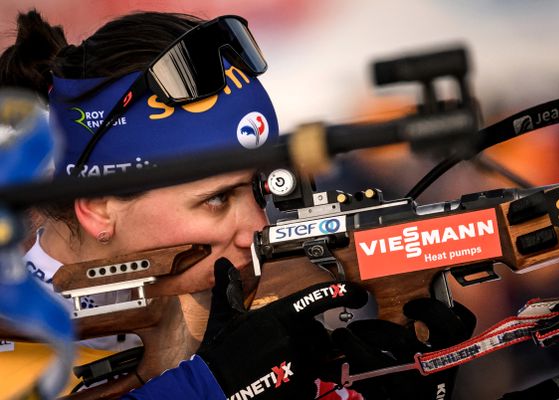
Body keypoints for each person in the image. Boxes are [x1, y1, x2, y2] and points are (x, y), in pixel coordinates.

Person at [0, 9, 474, 400]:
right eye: (216, 199)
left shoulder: (229, 321)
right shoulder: (14, 362)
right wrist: (210, 386)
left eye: (260, 188)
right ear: (99, 207)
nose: (255, 225)